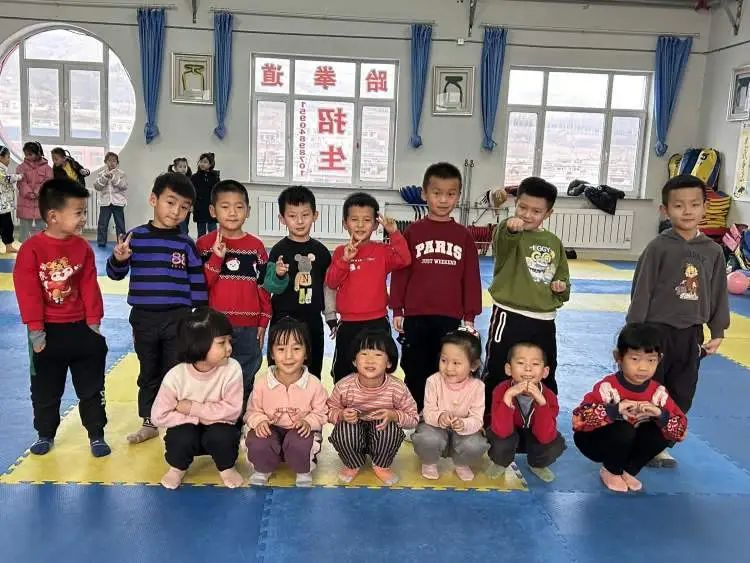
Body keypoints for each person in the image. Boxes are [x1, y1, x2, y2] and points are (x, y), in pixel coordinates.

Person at [627, 174, 729, 468]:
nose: (687, 211)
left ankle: (661, 442)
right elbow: (642, 290)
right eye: (679, 205)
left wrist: (717, 330)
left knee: (682, 393)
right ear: (665, 210)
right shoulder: (658, 247)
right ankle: (642, 440)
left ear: (705, 207)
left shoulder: (712, 251)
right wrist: (634, 331)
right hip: (655, 333)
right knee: (649, 388)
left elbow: (718, 292)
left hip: (690, 335)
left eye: (694, 204)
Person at [106, 172, 207, 444]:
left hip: (178, 318)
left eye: (184, 207)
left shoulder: (186, 243)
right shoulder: (135, 238)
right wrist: (119, 259)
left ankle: (175, 419)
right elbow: (115, 275)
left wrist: (200, 316)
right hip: (144, 318)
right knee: (148, 370)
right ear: (154, 199)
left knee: (175, 370)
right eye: (170, 202)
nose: (176, 212)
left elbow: (197, 280)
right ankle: (149, 421)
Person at [13, 177, 109, 457]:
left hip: (81, 329)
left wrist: (94, 324)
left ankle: (96, 434)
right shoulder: (32, 249)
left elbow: (89, 286)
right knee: (45, 390)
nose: (83, 219)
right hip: (47, 333)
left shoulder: (82, 248)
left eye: (84, 212)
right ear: (54, 216)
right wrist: (36, 331)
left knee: (92, 388)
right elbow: (28, 292)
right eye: (78, 212)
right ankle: (45, 433)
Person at [390, 162, 482, 412]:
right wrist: (397, 309)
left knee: (447, 367)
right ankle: (414, 413)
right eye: (437, 193)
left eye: (450, 194)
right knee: (414, 365)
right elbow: (400, 272)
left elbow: (471, 277)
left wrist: (470, 316)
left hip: (450, 316)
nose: (443, 200)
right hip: (416, 315)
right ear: (424, 194)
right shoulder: (413, 232)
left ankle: (440, 413)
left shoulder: (463, 236)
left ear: (458, 196)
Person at [483, 176, 570, 409]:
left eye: (536, 211)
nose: (527, 215)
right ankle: (491, 416)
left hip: (544, 319)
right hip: (509, 314)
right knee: (499, 365)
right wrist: (511, 229)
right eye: (522, 207)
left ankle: (544, 416)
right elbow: (503, 242)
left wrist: (561, 287)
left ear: (548, 214)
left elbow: (563, 277)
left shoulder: (553, 242)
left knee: (545, 369)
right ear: (515, 204)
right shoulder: (507, 230)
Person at [573, 323, 688, 493]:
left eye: (651, 360)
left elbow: (680, 432)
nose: (643, 367)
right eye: (635, 359)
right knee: (623, 429)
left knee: (662, 432)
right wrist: (613, 410)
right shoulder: (607, 387)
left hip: (630, 446)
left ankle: (628, 470)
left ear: (659, 359)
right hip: (595, 443)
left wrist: (660, 415)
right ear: (618, 357)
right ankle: (611, 470)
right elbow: (578, 421)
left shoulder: (658, 394)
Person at [196, 180, 274, 411]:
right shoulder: (204, 245)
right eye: (225, 206)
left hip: (249, 326)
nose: (232, 212)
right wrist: (217, 258)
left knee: (245, 372)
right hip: (214, 326)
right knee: (212, 374)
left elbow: (263, 287)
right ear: (213, 211)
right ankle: (213, 417)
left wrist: (264, 320)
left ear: (248, 211)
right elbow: (201, 286)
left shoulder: (256, 246)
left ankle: (240, 417)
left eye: (239, 207)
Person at [151, 308, 244, 490]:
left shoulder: (232, 369)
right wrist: (194, 419)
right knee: (181, 436)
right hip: (188, 427)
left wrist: (191, 408)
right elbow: (158, 416)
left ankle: (227, 468)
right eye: (221, 342)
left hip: (219, 426)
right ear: (198, 345)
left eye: (229, 341)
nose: (229, 348)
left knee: (223, 436)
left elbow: (233, 411)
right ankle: (177, 469)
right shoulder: (176, 376)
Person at [325, 192, 411, 382]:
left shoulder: (382, 251)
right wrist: (344, 260)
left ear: (375, 225)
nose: (360, 225)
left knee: (378, 368)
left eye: (366, 220)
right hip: (348, 323)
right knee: (343, 370)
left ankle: (376, 397)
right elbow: (331, 282)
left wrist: (394, 233)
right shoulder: (340, 252)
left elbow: (404, 259)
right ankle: (342, 399)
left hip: (377, 321)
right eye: (354, 219)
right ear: (345, 223)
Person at [327, 329, 418, 485]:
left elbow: (414, 418)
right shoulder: (344, 386)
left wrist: (394, 415)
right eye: (364, 354)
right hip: (354, 430)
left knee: (390, 429)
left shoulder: (397, 388)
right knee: (343, 430)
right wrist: (341, 414)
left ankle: (381, 465)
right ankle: (352, 463)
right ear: (354, 361)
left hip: (381, 432)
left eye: (378, 355)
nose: (370, 360)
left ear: (389, 362)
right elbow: (328, 411)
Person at [245, 318, 328, 487]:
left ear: (306, 353)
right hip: (271, 430)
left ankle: (303, 470)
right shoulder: (262, 383)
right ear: (272, 354)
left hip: (298, 431)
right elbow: (252, 411)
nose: (289, 356)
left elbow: (322, 412)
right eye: (281, 349)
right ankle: (262, 469)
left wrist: (308, 422)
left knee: (302, 440)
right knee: (258, 438)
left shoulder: (314, 384)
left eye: (296, 349)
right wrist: (259, 421)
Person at [265, 186, 337, 378]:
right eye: (292, 216)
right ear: (282, 219)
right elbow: (269, 286)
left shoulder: (322, 252)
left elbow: (328, 287)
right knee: (279, 371)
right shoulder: (278, 251)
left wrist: (331, 317)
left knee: (312, 372)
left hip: (312, 320)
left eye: (305, 215)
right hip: (282, 319)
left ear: (315, 215)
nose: (299, 221)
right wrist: (278, 275)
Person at [411, 329, 489, 481]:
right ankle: (429, 462)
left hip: (463, 433)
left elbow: (477, 419)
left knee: (476, 444)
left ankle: (462, 463)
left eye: (456, 363)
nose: (449, 368)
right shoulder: (433, 381)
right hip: (434, 428)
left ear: (473, 365)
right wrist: (440, 417)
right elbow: (428, 412)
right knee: (426, 438)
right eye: (444, 360)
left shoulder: (478, 387)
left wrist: (464, 424)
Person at [486, 342, 566, 483]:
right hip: (510, 433)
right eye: (521, 363)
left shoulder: (549, 396)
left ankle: (537, 464)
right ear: (508, 369)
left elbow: (545, 436)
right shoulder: (500, 390)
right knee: (497, 440)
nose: (528, 368)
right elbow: (501, 432)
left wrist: (542, 403)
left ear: (545, 372)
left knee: (554, 444)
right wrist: (508, 397)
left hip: (535, 435)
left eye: (535, 364)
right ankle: (500, 462)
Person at [16, 141, 53, 241]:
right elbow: (21, 183)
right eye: (26, 154)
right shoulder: (21, 167)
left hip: (40, 201)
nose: (27, 157)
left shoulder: (47, 168)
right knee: (24, 227)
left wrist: (37, 192)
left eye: (30, 154)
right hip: (25, 201)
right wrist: (29, 193)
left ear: (38, 153)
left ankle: (40, 244)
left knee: (41, 225)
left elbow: (48, 182)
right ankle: (24, 245)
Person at [93, 151, 128, 248]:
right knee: (102, 223)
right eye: (109, 160)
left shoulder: (121, 174)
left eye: (114, 161)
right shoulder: (101, 174)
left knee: (120, 224)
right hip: (105, 202)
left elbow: (124, 186)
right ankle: (101, 242)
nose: (112, 163)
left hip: (118, 202)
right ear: (105, 162)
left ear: (117, 162)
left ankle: (122, 243)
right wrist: (105, 178)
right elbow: (97, 187)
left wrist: (113, 178)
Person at [190, 152, 220, 238]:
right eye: (201, 161)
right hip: (199, 206)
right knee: (201, 231)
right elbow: (192, 192)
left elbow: (218, 191)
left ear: (210, 164)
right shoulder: (194, 177)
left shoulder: (215, 177)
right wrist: (191, 204)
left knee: (213, 230)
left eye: (205, 162)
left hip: (211, 206)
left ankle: (213, 245)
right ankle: (201, 246)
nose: (202, 164)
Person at [0, 145, 23, 253]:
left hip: (4, 204)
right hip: (2, 205)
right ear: (1, 157)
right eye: (8, 157)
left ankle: (8, 246)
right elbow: (5, 179)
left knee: (7, 225)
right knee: (7, 225)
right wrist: (19, 176)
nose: (9, 160)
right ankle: (8, 246)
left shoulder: (3, 168)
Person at [168, 157, 193, 236]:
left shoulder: (189, 180)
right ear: (175, 168)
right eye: (180, 167)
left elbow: (191, 194)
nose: (183, 169)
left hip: (185, 206)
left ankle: (183, 238)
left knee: (184, 224)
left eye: (185, 167)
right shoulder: (172, 179)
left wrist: (191, 205)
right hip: (175, 206)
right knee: (177, 224)